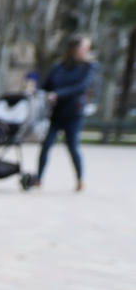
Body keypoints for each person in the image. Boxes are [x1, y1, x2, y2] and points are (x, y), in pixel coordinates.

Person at [38, 34, 98, 192]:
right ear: (73, 48)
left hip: (74, 113)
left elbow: (81, 87)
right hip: (56, 113)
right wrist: (38, 91)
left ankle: (79, 179)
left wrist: (57, 94)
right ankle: (38, 179)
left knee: (72, 146)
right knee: (46, 145)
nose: (86, 50)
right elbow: (46, 85)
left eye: (87, 48)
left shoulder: (88, 67)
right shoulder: (58, 67)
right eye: (83, 47)